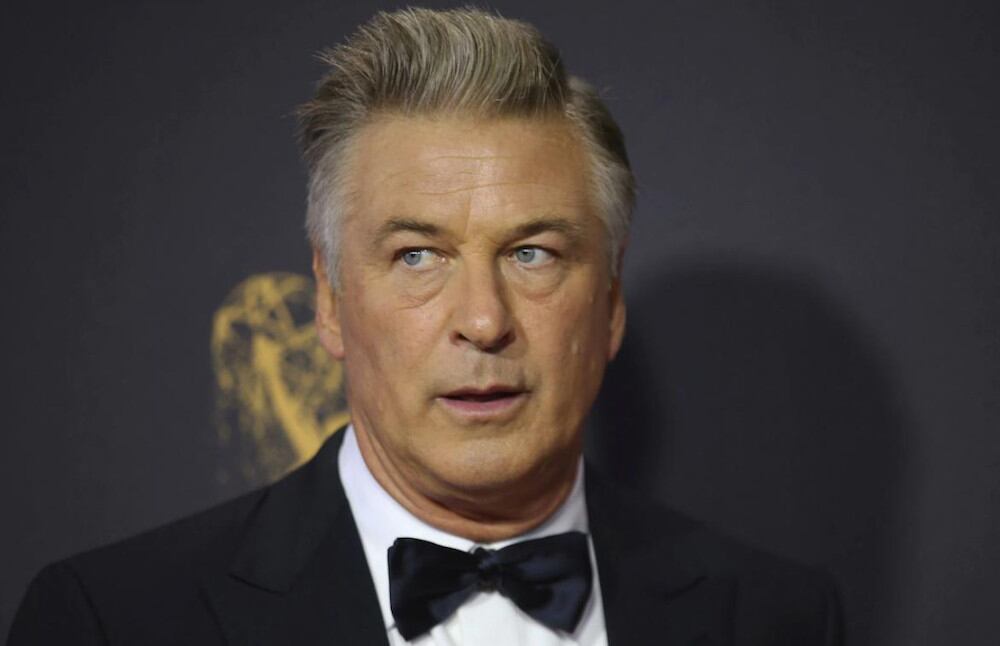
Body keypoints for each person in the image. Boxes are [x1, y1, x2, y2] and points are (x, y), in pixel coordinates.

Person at [8, 8, 842, 645]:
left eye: (533, 253)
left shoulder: (777, 617)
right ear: (330, 300)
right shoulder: (112, 621)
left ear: (611, 303)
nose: (483, 321)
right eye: (417, 256)